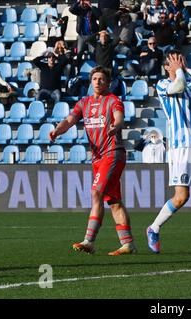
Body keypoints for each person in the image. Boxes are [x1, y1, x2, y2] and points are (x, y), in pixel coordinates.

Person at [49, 66, 136, 256]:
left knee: (96, 192)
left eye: (101, 79)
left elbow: (120, 117)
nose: (98, 82)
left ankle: (89, 241)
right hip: (97, 157)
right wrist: (57, 130)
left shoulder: (113, 100)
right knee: (113, 201)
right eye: (95, 79)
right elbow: (69, 120)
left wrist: (116, 125)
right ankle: (127, 244)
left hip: (113, 152)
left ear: (108, 82)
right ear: (91, 82)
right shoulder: (84, 103)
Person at [146, 50, 191, 257]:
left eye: (181, 58)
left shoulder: (189, 82)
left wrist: (186, 70)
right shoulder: (163, 85)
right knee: (181, 197)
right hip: (181, 146)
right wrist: (180, 73)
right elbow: (176, 86)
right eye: (174, 61)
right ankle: (154, 228)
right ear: (166, 67)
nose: (179, 62)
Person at [69, 0, 102, 68]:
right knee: (79, 53)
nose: (85, 4)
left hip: (92, 35)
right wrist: (78, 2)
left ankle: (94, 69)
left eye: (86, 2)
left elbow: (99, 15)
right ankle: (78, 69)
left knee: (92, 53)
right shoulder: (79, 10)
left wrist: (91, 6)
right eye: (83, 2)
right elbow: (71, 9)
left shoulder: (92, 9)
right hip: (82, 35)